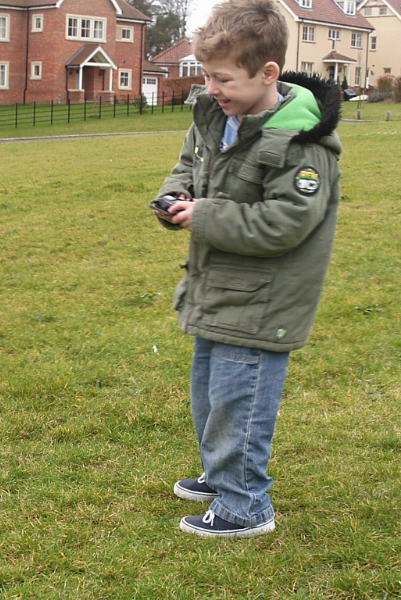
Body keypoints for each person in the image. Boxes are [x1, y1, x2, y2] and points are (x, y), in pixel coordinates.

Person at [153, 0, 342, 538]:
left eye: (222, 78)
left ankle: (244, 507)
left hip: (263, 299)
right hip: (218, 288)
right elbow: (188, 165)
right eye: (206, 75)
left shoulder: (302, 144)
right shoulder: (218, 117)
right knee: (211, 396)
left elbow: (286, 222)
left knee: (241, 401)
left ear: (267, 74)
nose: (211, 88)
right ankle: (222, 475)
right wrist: (174, 198)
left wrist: (204, 215)